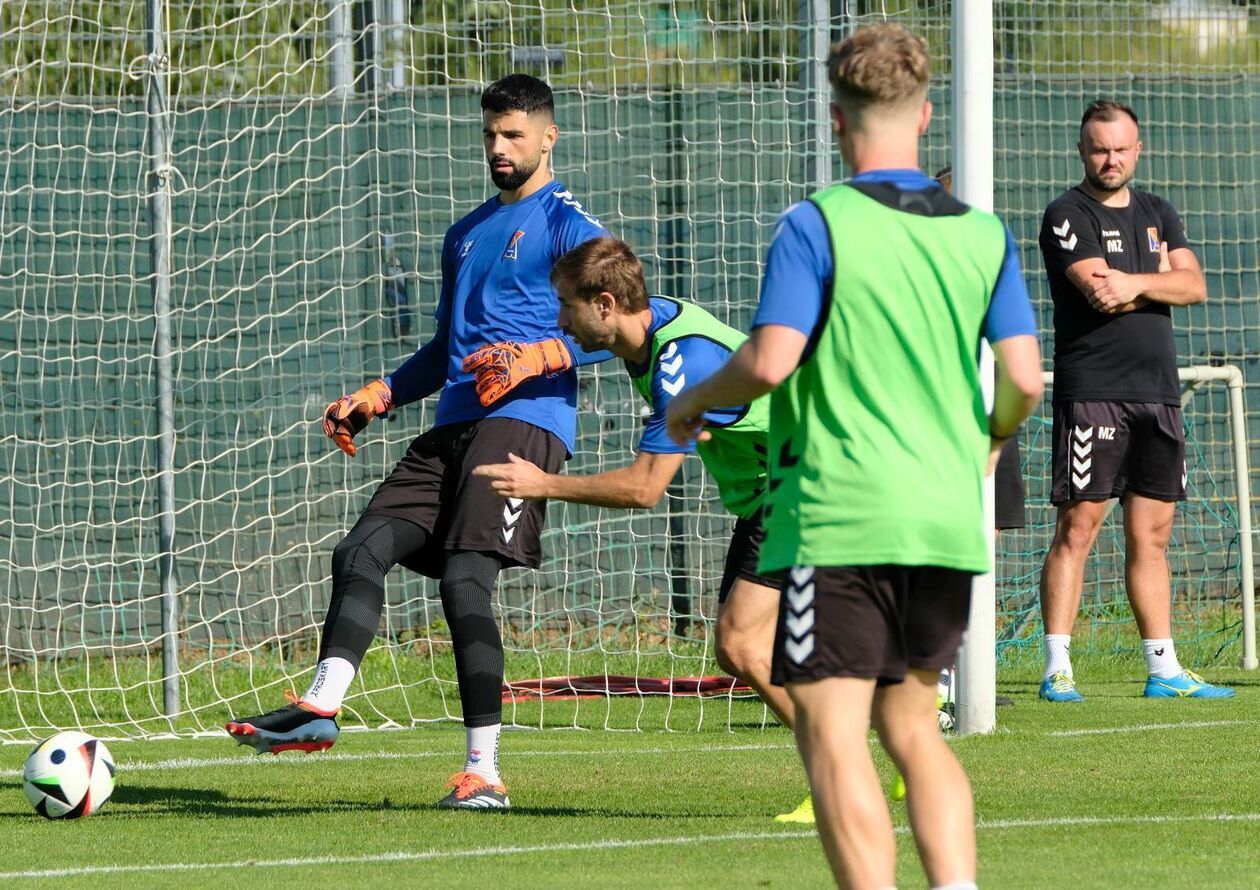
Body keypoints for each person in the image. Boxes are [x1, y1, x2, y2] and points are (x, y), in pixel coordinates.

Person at [665, 23, 1043, 889]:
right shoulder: (983, 235)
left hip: (837, 517)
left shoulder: (815, 222)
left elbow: (768, 360)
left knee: (835, 733)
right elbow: (1024, 377)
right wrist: (989, 438)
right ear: (926, 115)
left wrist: (690, 401)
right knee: (911, 728)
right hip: (943, 517)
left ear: (837, 120)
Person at [225, 74, 610, 809]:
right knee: (361, 549)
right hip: (452, 425)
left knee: (467, 575)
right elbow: (444, 347)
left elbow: (632, 313)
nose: (498, 147)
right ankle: (321, 710)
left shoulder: (567, 224)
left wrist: (539, 355)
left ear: (549, 137)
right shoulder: (464, 233)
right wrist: (382, 394)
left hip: (526, 423)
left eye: (514, 135)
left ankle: (485, 774)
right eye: (491, 135)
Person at [469, 235, 814, 824]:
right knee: (758, 649)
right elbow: (584, 346)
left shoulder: (680, 365)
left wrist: (542, 483)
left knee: (740, 643)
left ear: (604, 304)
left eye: (566, 307)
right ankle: (896, 739)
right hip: (775, 491)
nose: (560, 320)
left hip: (805, 486)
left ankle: (842, 777)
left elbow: (645, 488)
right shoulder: (646, 329)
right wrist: (534, 357)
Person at [1036, 100, 1234, 702]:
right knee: (1079, 526)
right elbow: (1101, 293)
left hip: (1158, 393)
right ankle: (1057, 667)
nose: (1111, 159)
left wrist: (1139, 282)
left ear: (1138, 149)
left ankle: (1163, 668)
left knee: (1152, 536)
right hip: (1094, 391)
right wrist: (1152, 281)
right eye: (1100, 148)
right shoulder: (1066, 213)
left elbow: (1194, 285)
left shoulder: (1158, 211)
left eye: (1121, 148)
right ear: (1081, 151)